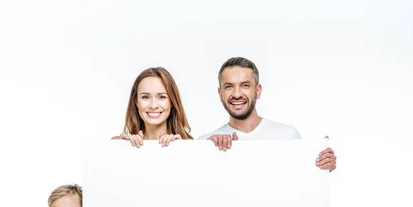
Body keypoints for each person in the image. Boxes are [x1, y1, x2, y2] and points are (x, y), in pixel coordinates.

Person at [199, 57, 336, 172]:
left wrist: (323, 166)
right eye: (229, 87)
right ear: (220, 93)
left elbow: (303, 184)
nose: (236, 94)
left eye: (245, 85)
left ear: (258, 91)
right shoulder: (206, 142)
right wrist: (208, 151)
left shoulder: (288, 135)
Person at [114, 67, 193, 147]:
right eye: (145, 97)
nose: (153, 106)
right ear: (136, 102)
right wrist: (120, 147)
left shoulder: (193, 145)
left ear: (172, 101)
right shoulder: (120, 142)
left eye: (162, 97)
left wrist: (183, 148)